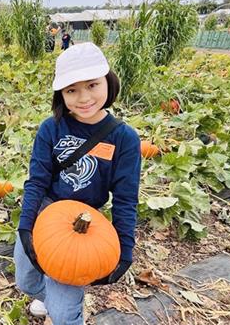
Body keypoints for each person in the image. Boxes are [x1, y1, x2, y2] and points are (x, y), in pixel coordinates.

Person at [15, 42, 141, 325]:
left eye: (93, 85)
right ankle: (46, 294)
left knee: (64, 314)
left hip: (84, 222)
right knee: (25, 280)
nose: (84, 98)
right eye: (72, 90)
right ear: (61, 93)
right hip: (45, 211)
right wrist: (25, 225)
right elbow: (36, 181)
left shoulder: (124, 139)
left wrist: (125, 249)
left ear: (108, 81)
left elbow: (125, 198)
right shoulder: (51, 128)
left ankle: (63, 310)